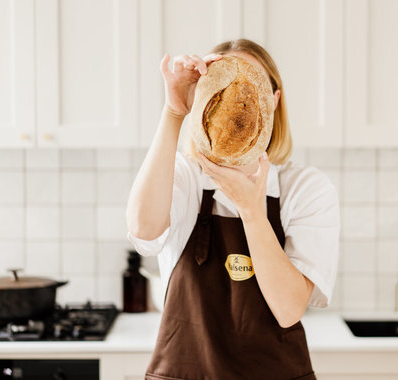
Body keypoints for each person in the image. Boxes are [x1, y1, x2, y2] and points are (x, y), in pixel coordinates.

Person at [126, 38, 340, 380]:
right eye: (223, 82)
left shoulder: (305, 188)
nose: (238, 97)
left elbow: (288, 310)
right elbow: (143, 227)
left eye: (250, 86)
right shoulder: (184, 176)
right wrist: (174, 112)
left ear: (273, 101)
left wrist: (251, 209)